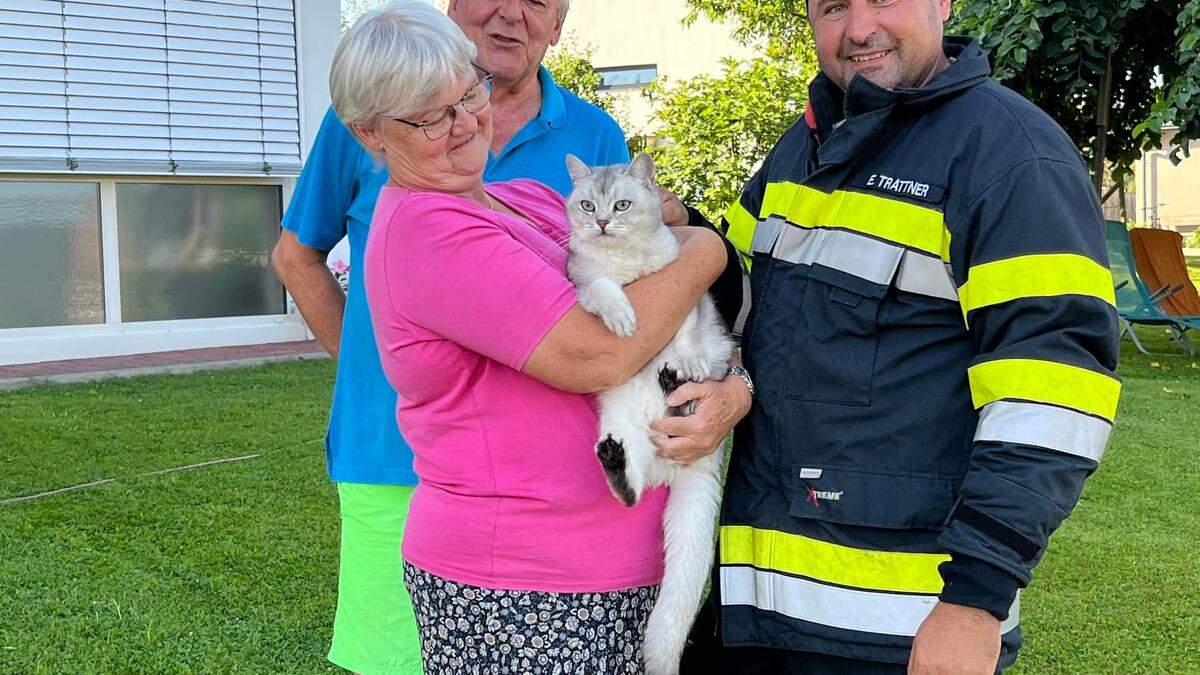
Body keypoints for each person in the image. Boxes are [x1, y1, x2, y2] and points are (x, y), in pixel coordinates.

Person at [668, 1, 1123, 672]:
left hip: (899, 635)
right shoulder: (804, 144)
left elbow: (1053, 397)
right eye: (831, 8)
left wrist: (974, 602)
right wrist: (674, 230)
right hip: (755, 618)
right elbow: (737, 305)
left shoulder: (1010, 155)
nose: (857, 29)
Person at [328, 3, 735, 673]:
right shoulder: (427, 230)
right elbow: (600, 351)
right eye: (432, 117)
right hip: (524, 587)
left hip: (611, 569)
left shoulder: (526, 199)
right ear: (370, 133)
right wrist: (710, 250)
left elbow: (653, 271)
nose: (464, 125)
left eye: (469, 93)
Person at [271, 0, 632, 672]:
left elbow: (624, 281)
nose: (509, 14)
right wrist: (379, 365)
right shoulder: (372, 107)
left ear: (559, 23)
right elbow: (296, 255)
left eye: (537, 3)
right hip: (389, 454)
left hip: (540, 498)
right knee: (395, 659)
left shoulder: (595, 135)